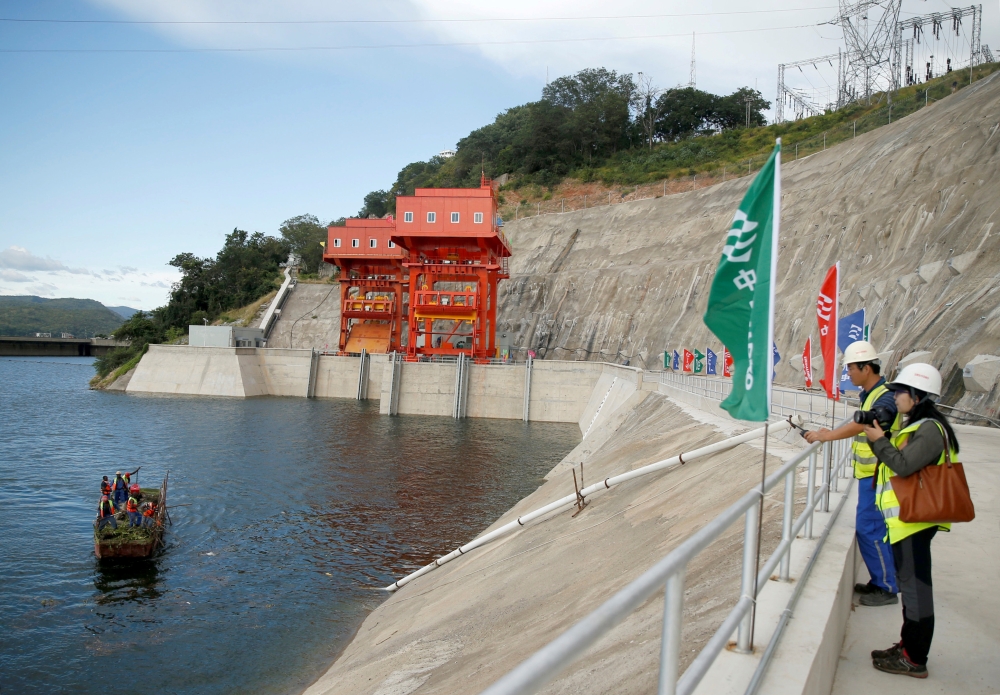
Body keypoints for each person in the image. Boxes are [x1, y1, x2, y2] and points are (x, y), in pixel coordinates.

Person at [861, 363, 957, 678]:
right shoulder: (918, 425)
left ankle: (915, 658)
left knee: (916, 591)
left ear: (917, 396)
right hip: (906, 522)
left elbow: (902, 466)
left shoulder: (929, 428)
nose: (897, 397)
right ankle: (907, 646)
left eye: (901, 392)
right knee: (910, 587)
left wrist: (878, 440)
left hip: (915, 523)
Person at [804, 340, 901, 605]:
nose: (849, 374)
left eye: (851, 369)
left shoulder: (886, 395)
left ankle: (887, 588)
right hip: (870, 474)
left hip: (879, 475)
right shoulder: (870, 393)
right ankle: (882, 580)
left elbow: (870, 421)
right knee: (875, 528)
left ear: (867, 368)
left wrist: (829, 436)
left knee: (869, 528)